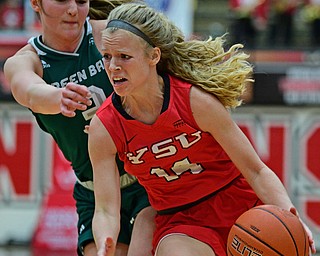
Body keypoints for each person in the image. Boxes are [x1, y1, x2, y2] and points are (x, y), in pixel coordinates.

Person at [87, 3, 317, 256]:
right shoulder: (104, 126)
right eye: (107, 56)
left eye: (124, 56)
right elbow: (106, 209)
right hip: (181, 220)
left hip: (239, 205)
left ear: (154, 56)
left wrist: (290, 215)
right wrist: (104, 242)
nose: (113, 66)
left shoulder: (194, 101)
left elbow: (256, 170)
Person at [3, 0, 155, 256]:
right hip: (93, 191)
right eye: (62, 0)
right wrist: (58, 97)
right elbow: (28, 90)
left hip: (148, 179)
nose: (73, 9)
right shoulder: (25, 62)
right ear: (36, 4)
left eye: (82, 1)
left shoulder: (109, 34)